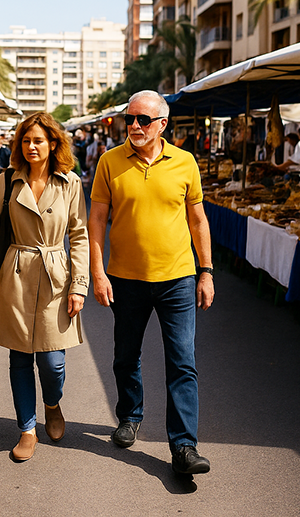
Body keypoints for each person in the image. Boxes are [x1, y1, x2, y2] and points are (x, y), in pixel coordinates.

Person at [88, 90, 215, 476]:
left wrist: (206, 271)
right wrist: (97, 271)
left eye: (143, 120)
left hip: (177, 278)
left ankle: (184, 446)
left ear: (162, 124)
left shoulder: (185, 162)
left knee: (182, 362)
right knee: (126, 356)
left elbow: (197, 220)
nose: (134, 126)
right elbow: (96, 221)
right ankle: (130, 416)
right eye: (129, 119)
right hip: (126, 279)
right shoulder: (110, 162)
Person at [0, 112, 89, 463]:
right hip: (16, 273)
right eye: (25, 141)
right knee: (20, 357)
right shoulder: (7, 180)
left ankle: (52, 403)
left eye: (38, 140)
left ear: (53, 143)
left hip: (56, 273)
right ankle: (27, 429)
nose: (31, 147)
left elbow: (79, 236)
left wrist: (79, 285)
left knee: (53, 362)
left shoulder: (69, 183)